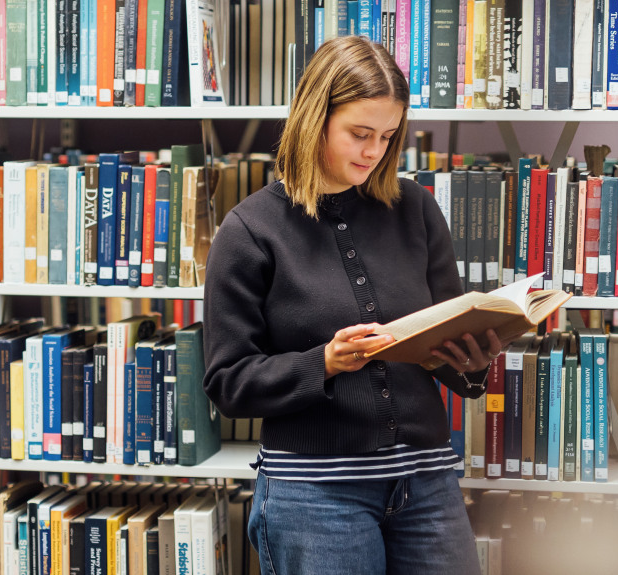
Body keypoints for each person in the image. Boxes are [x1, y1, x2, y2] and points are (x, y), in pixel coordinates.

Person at [202, 35, 502, 575]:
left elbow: (449, 347)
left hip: (427, 483)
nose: (373, 152)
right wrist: (325, 362)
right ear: (314, 119)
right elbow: (229, 382)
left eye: (387, 137)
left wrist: (474, 362)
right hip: (314, 496)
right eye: (359, 134)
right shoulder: (250, 230)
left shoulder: (416, 209)